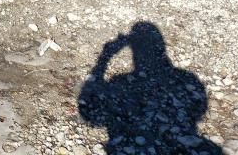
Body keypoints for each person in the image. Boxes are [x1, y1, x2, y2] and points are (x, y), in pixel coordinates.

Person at [79, 22, 221, 154]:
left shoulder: (119, 81)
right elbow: (199, 110)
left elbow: (90, 115)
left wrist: (104, 58)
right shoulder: (187, 78)